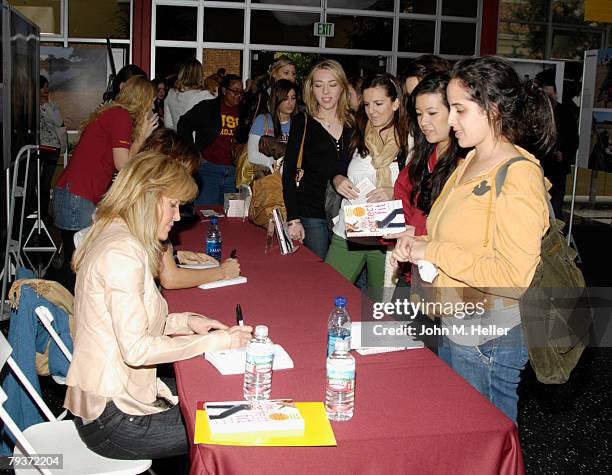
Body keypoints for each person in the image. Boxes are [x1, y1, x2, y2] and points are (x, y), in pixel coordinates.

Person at [392, 56, 555, 424]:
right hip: (459, 322)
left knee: (487, 439)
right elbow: (448, 227)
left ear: (493, 109)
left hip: (490, 337)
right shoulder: (469, 160)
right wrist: (416, 237)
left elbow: (512, 278)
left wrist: (432, 249)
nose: (450, 120)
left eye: (460, 110)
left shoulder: (517, 175)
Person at [65, 151, 252, 460]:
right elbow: (137, 349)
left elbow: (134, 322)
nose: (177, 217)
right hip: (114, 419)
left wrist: (190, 323)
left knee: (214, 389)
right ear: (147, 198)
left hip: (117, 396)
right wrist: (212, 341)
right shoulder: (122, 254)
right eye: (173, 205)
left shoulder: (118, 235)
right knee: (235, 423)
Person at [52, 76, 158, 291]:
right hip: (78, 196)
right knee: (79, 265)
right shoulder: (120, 116)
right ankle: (52, 309)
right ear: (143, 99)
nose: (153, 106)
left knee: (76, 262)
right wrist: (143, 137)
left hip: (74, 193)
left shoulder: (112, 112)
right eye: (152, 100)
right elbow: (123, 164)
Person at [325, 74, 408, 293]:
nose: (372, 111)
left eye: (379, 104)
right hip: (349, 233)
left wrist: (394, 191)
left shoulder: (410, 144)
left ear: (396, 103)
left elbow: (420, 192)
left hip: (387, 240)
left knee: (378, 311)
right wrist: (338, 179)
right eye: (368, 104)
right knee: (327, 294)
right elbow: (336, 168)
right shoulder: (357, 135)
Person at [140, 127, 241, 288]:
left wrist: (176, 256)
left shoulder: (142, 194)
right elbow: (171, 278)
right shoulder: (151, 207)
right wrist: (222, 272)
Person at [282, 59, 353, 259]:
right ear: (311, 89)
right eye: (319, 85)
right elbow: (288, 172)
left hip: (349, 210)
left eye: (332, 84)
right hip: (312, 210)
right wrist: (293, 218)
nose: (326, 92)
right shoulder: (302, 122)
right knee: (318, 272)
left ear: (342, 87)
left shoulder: (354, 123)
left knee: (349, 278)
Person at [178, 74, 244, 204]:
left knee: (231, 217)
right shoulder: (208, 107)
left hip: (233, 173)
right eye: (235, 91)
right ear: (224, 90)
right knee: (205, 212)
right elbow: (183, 124)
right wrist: (193, 151)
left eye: (241, 92)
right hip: (208, 169)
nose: (239, 95)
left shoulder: (244, 111)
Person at [533, 69, 579, 219]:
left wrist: (563, 154)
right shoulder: (532, 111)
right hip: (536, 167)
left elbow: (573, 139)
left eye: (546, 89)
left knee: (554, 212)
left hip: (556, 170)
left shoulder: (563, 111)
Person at [248, 79, 298, 170]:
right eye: (285, 98)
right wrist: (272, 162)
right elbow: (251, 155)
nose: (290, 102)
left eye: (293, 98)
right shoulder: (262, 120)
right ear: (277, 98)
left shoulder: (300, 123)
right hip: (268, 177)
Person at [38, 75, 66, 222]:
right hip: (36, 149)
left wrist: (46, 105)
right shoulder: (30, 105)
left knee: (45, 183)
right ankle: (33, 212)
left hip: (51, 148)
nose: (47, 89)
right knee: (33, 183)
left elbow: (58, 122)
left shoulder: (52, 106)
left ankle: (43, 214)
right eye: (45, 86)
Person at [163, 57, 214, 130]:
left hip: (177, 139)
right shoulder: (205, 96)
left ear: (181, 72)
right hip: (196, 140)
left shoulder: (170, 93)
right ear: (200, 74)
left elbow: (168, 125)